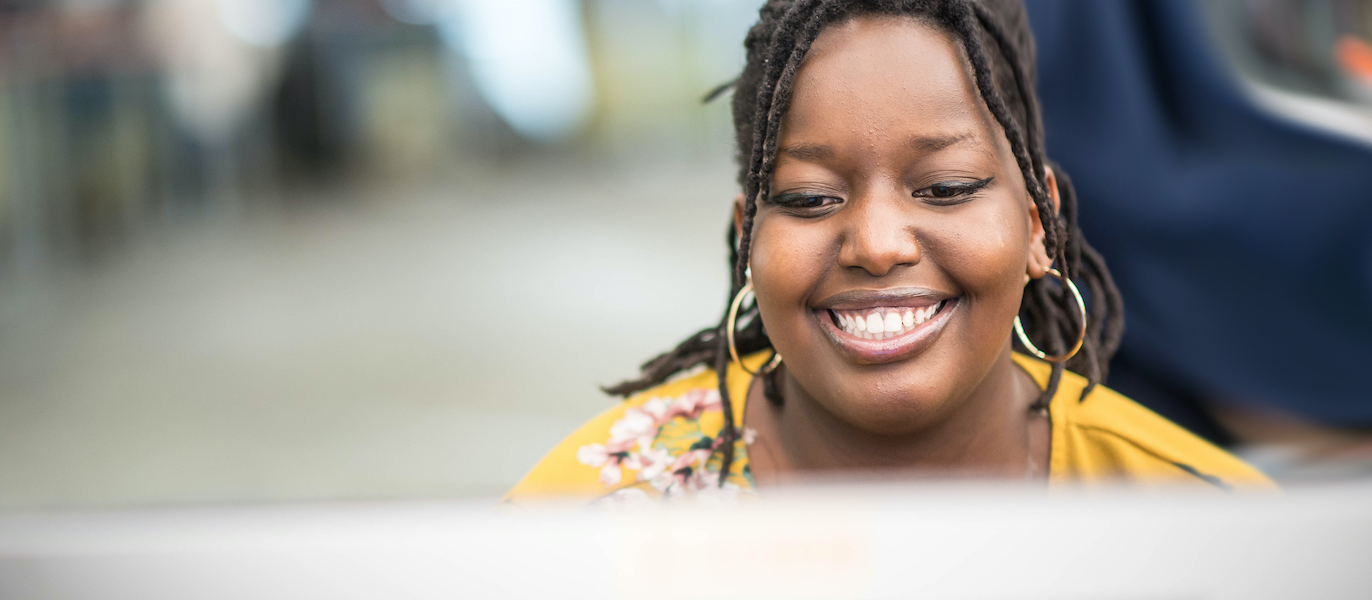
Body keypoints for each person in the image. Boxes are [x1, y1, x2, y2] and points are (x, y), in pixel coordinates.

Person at [506, 0, 1272, 505]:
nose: (877, 245)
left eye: (944, 188)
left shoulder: (1205, 521)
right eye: (809, 199)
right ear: (748, 240)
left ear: (1039, 221)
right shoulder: (584, 519)